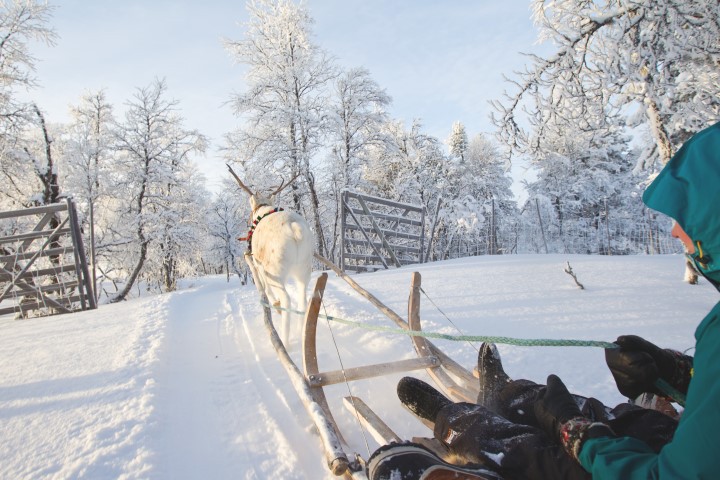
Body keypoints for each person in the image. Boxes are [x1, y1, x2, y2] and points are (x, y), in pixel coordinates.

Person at [368, 120, 720, 480]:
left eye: (687, 216)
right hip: (677, 441)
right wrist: (674, 372)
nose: (675, 230)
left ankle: (455, 420)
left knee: (537, 456)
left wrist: (577, 435)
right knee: (601, 414)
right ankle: (503, 391)